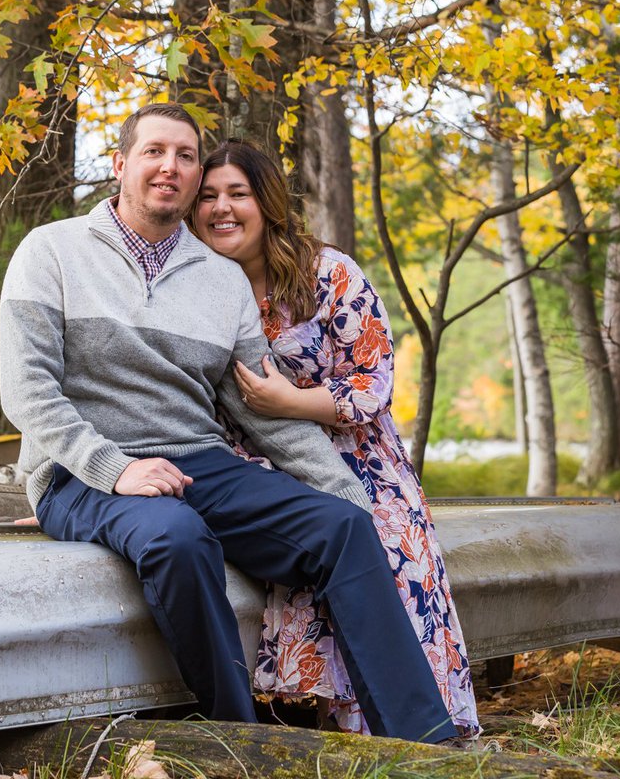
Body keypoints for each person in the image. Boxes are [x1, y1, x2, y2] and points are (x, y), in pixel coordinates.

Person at [0, 102, 458, 744]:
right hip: (82, 473)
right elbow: (28, 392)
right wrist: (117, 469)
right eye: (155, 151)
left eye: (186, 156)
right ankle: (241, 743)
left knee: (344, 527)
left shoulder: (220, 280)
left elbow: (256, 408)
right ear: (120, 164)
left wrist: (342, 491)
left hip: (200, 462)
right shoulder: (52, 251)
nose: (171, 167)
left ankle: (425, 745)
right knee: (177, 538)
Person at [191, 140, 480, 737]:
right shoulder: (195, 291)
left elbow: (374, 383)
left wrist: (288, 403)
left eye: (237, 194)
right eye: (209, 197)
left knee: (381, 556)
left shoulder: (326, 272)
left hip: (355, 461)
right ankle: (322, 737)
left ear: (266, 203)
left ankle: (411, 739)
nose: (222, 208)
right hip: (256, 470)